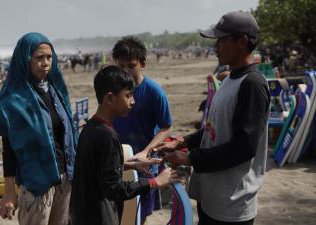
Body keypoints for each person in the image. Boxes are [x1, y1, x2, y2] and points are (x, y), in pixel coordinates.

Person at [153, 11, 270, 225]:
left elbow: (244, 147)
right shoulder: (229, 79)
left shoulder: (252, 85)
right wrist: (184, 142)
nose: (216, 47)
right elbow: (213, 128)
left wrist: (189, 158)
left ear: (242, 41)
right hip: (214, 197)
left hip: (232, 204)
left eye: (222, 40)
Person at [69, 65, 180, 225]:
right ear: (110, 99)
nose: (133, 101)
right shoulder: (107, 137)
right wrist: (154, 182)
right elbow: (113, 189)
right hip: (99, 217)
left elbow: (96, 170)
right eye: (128, 95)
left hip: (83, 214)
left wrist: (131, 165)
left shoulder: (90, 128)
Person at [0, 32, 77, 225]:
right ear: (25, 60)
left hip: (64, 180)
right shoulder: (13, 101)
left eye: (49, 57)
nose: (46, 62)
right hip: (36, 186)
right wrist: (9, 193)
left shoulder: (56, 91)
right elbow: (9, 150)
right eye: (39, 58)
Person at [111, 36, 173, 224]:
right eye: (120, 66)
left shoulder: (154, 91)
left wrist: (146, 151)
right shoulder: (113, 90)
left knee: (139, 215)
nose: (126, 72)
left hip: (144, 165)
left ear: (142, 64)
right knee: (117, 212)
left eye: (131, 66)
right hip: (118, 161)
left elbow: (166, 126)